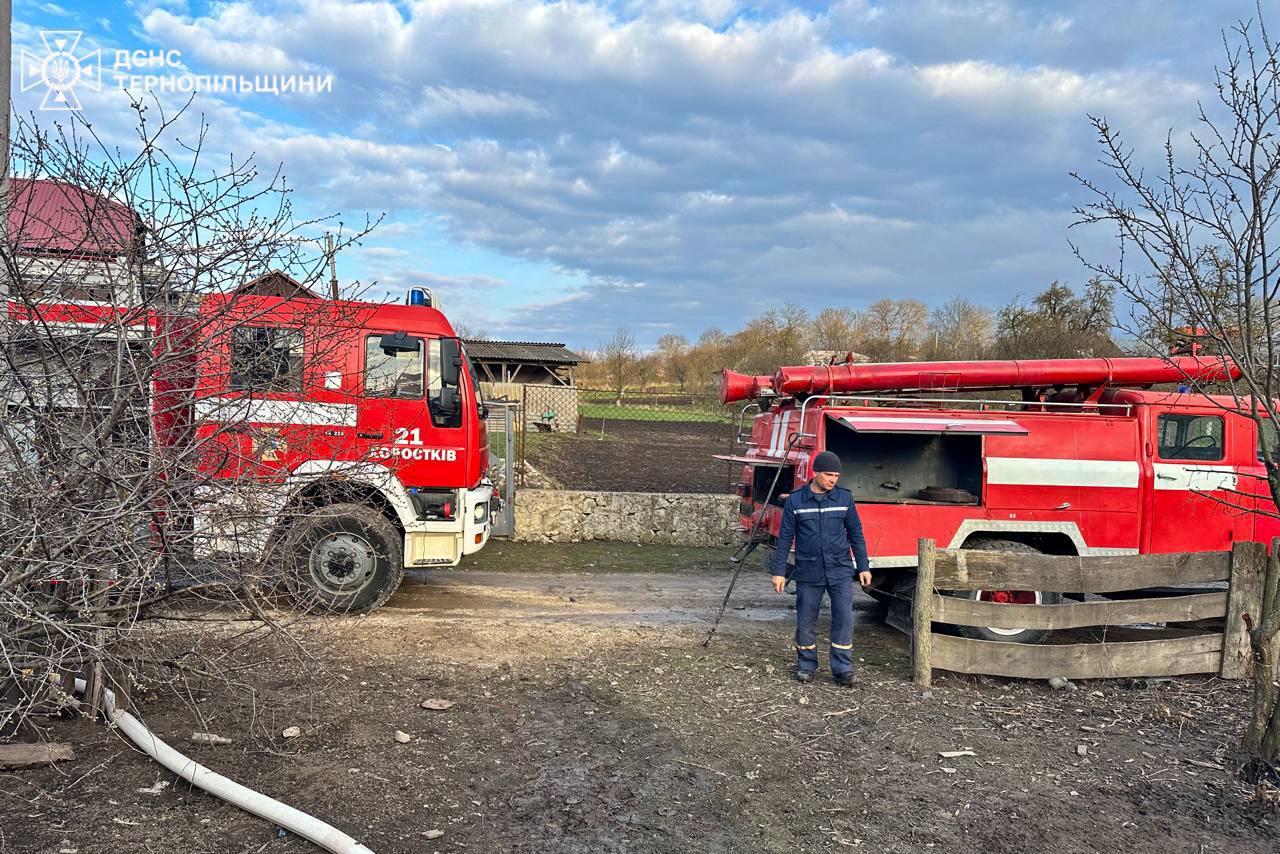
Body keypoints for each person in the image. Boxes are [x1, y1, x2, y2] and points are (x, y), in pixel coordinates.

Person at [770, 450, 871, 686]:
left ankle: (842, 669)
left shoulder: (844, 499)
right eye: (829, 475)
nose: (833, 480)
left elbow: (856, 534)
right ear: (815, 473)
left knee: (844, 618)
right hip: (809, 572)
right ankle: (806, 665)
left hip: (840, 570)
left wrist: (863, 566)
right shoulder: (795, 501)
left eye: (836, 475)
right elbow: (785, 538)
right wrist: (778, 572)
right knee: (805, 619)